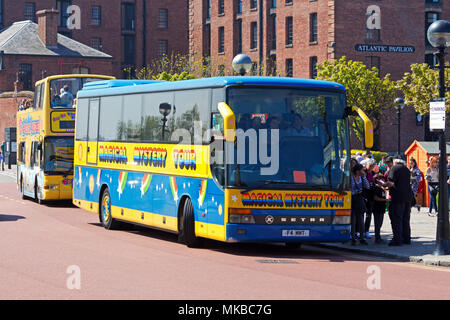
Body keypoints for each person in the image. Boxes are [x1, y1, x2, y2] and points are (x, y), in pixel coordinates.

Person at [385, 158, 413, 246]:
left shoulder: (394, 168)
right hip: (407, 197)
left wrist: (383, 184)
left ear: (394, 162)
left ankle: (397, 239)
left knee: (396, 218)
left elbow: (391, 183)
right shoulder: (407, 169)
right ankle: (406, 238)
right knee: (406, 219)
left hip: (397, 197)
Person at [350, 163, 370, 245]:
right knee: (353, 220)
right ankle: (353, 237)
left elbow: (367, 186)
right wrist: (354, 192)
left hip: (359, 200)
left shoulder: (362, 177)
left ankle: (362, 237)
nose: (363, 171)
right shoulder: (351, 178)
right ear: (357, 171)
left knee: (361, 219)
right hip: (352, 199)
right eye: (361, 170)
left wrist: (364, 177)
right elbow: (348, 189)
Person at [372, 173, 388, 243]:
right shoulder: (376, 188)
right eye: (382, 179)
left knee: (380, 223)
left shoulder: (382, 188)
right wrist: (385, 200)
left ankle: (378, 237)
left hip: (382, 208)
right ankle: (377, 238)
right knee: (377, 223)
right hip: (377, 208)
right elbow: (375, 198)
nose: (383, 181)